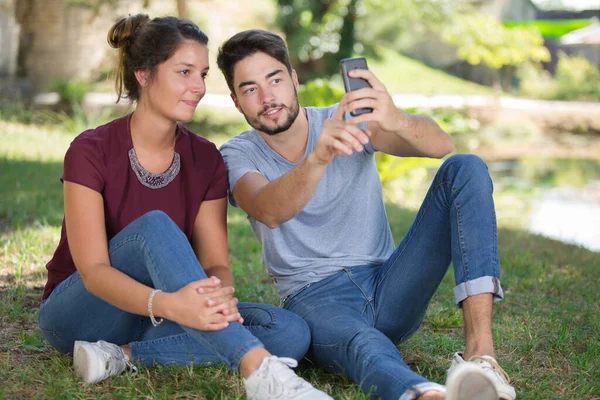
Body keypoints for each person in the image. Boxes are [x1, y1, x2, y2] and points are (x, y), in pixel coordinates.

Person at [37, 16, 333, 400]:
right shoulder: (90, 151)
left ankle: (122, 356)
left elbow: (215, 265)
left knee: (289, 331)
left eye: (204, 74)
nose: (198, 87)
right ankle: (258, 370)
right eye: (184, 72)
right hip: (82, 312)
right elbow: (93, 272)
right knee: (155, 227)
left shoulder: (205, 158)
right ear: (143, 75)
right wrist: (174, 305)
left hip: (162, 316)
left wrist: (218, 295)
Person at [217, 29, 517, 400]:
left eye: (275, 79)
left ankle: (480, 357)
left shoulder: (347, 119)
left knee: (465, 167)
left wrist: (395, 118)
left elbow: (442, 146)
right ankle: (422, 394)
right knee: (363, 344)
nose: (267, 97)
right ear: (235, 101)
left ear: (294, 80)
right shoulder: (236, 154)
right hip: (315, 297)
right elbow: (269, 209)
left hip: (389, 282)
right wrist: (319, 158)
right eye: (249, 89)